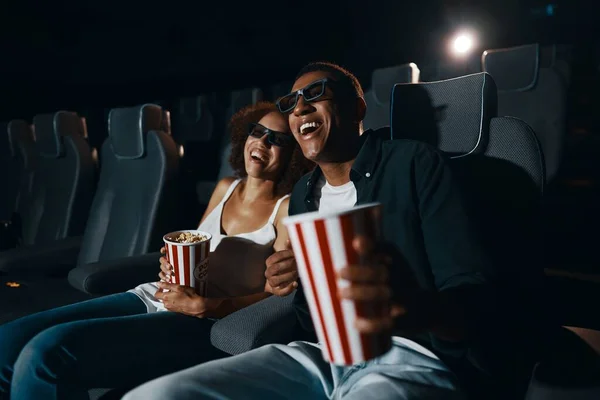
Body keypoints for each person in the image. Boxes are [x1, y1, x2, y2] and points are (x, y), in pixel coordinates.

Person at [123, 62, 547, 400]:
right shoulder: (305, 190)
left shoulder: (414, 163)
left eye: (316, 94)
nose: (300, 107)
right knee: (161, 393)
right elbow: (309, 311)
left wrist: (417, 307)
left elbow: (475, 293)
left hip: (411, 356)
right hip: (319, 355)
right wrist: (290, 280)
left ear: (358, 108)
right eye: (291, 102)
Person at [0, 101, 313, 400]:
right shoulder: (225, 187)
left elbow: (278, 294)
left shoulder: (285, 210)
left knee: (44, 352)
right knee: (8, 339)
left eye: (277, 140)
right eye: (257, 132)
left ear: (293, 155)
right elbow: (197, 245)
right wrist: (171, 263)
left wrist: (212, 306)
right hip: (155, 294)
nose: (262, 142)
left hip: (200, 321)